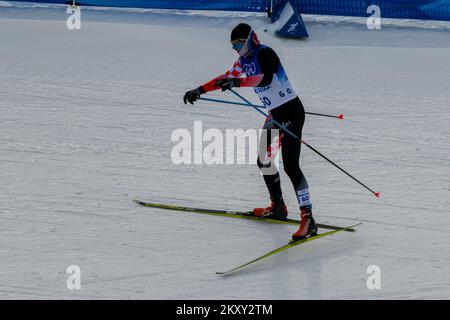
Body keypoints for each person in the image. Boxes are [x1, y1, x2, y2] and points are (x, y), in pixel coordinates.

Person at [183, 23, 316, 240]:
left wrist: (238, 82)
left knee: (291, 166)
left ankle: (308, 219)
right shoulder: (243, 61)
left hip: (291, 112)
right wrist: (199, 90)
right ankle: (278, 207)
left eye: (237, 45)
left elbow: (266, 78)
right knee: (264, 160)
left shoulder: (266, 53)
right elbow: (226, 77)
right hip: (274, 115)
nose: (235, 50)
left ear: (247, 41)